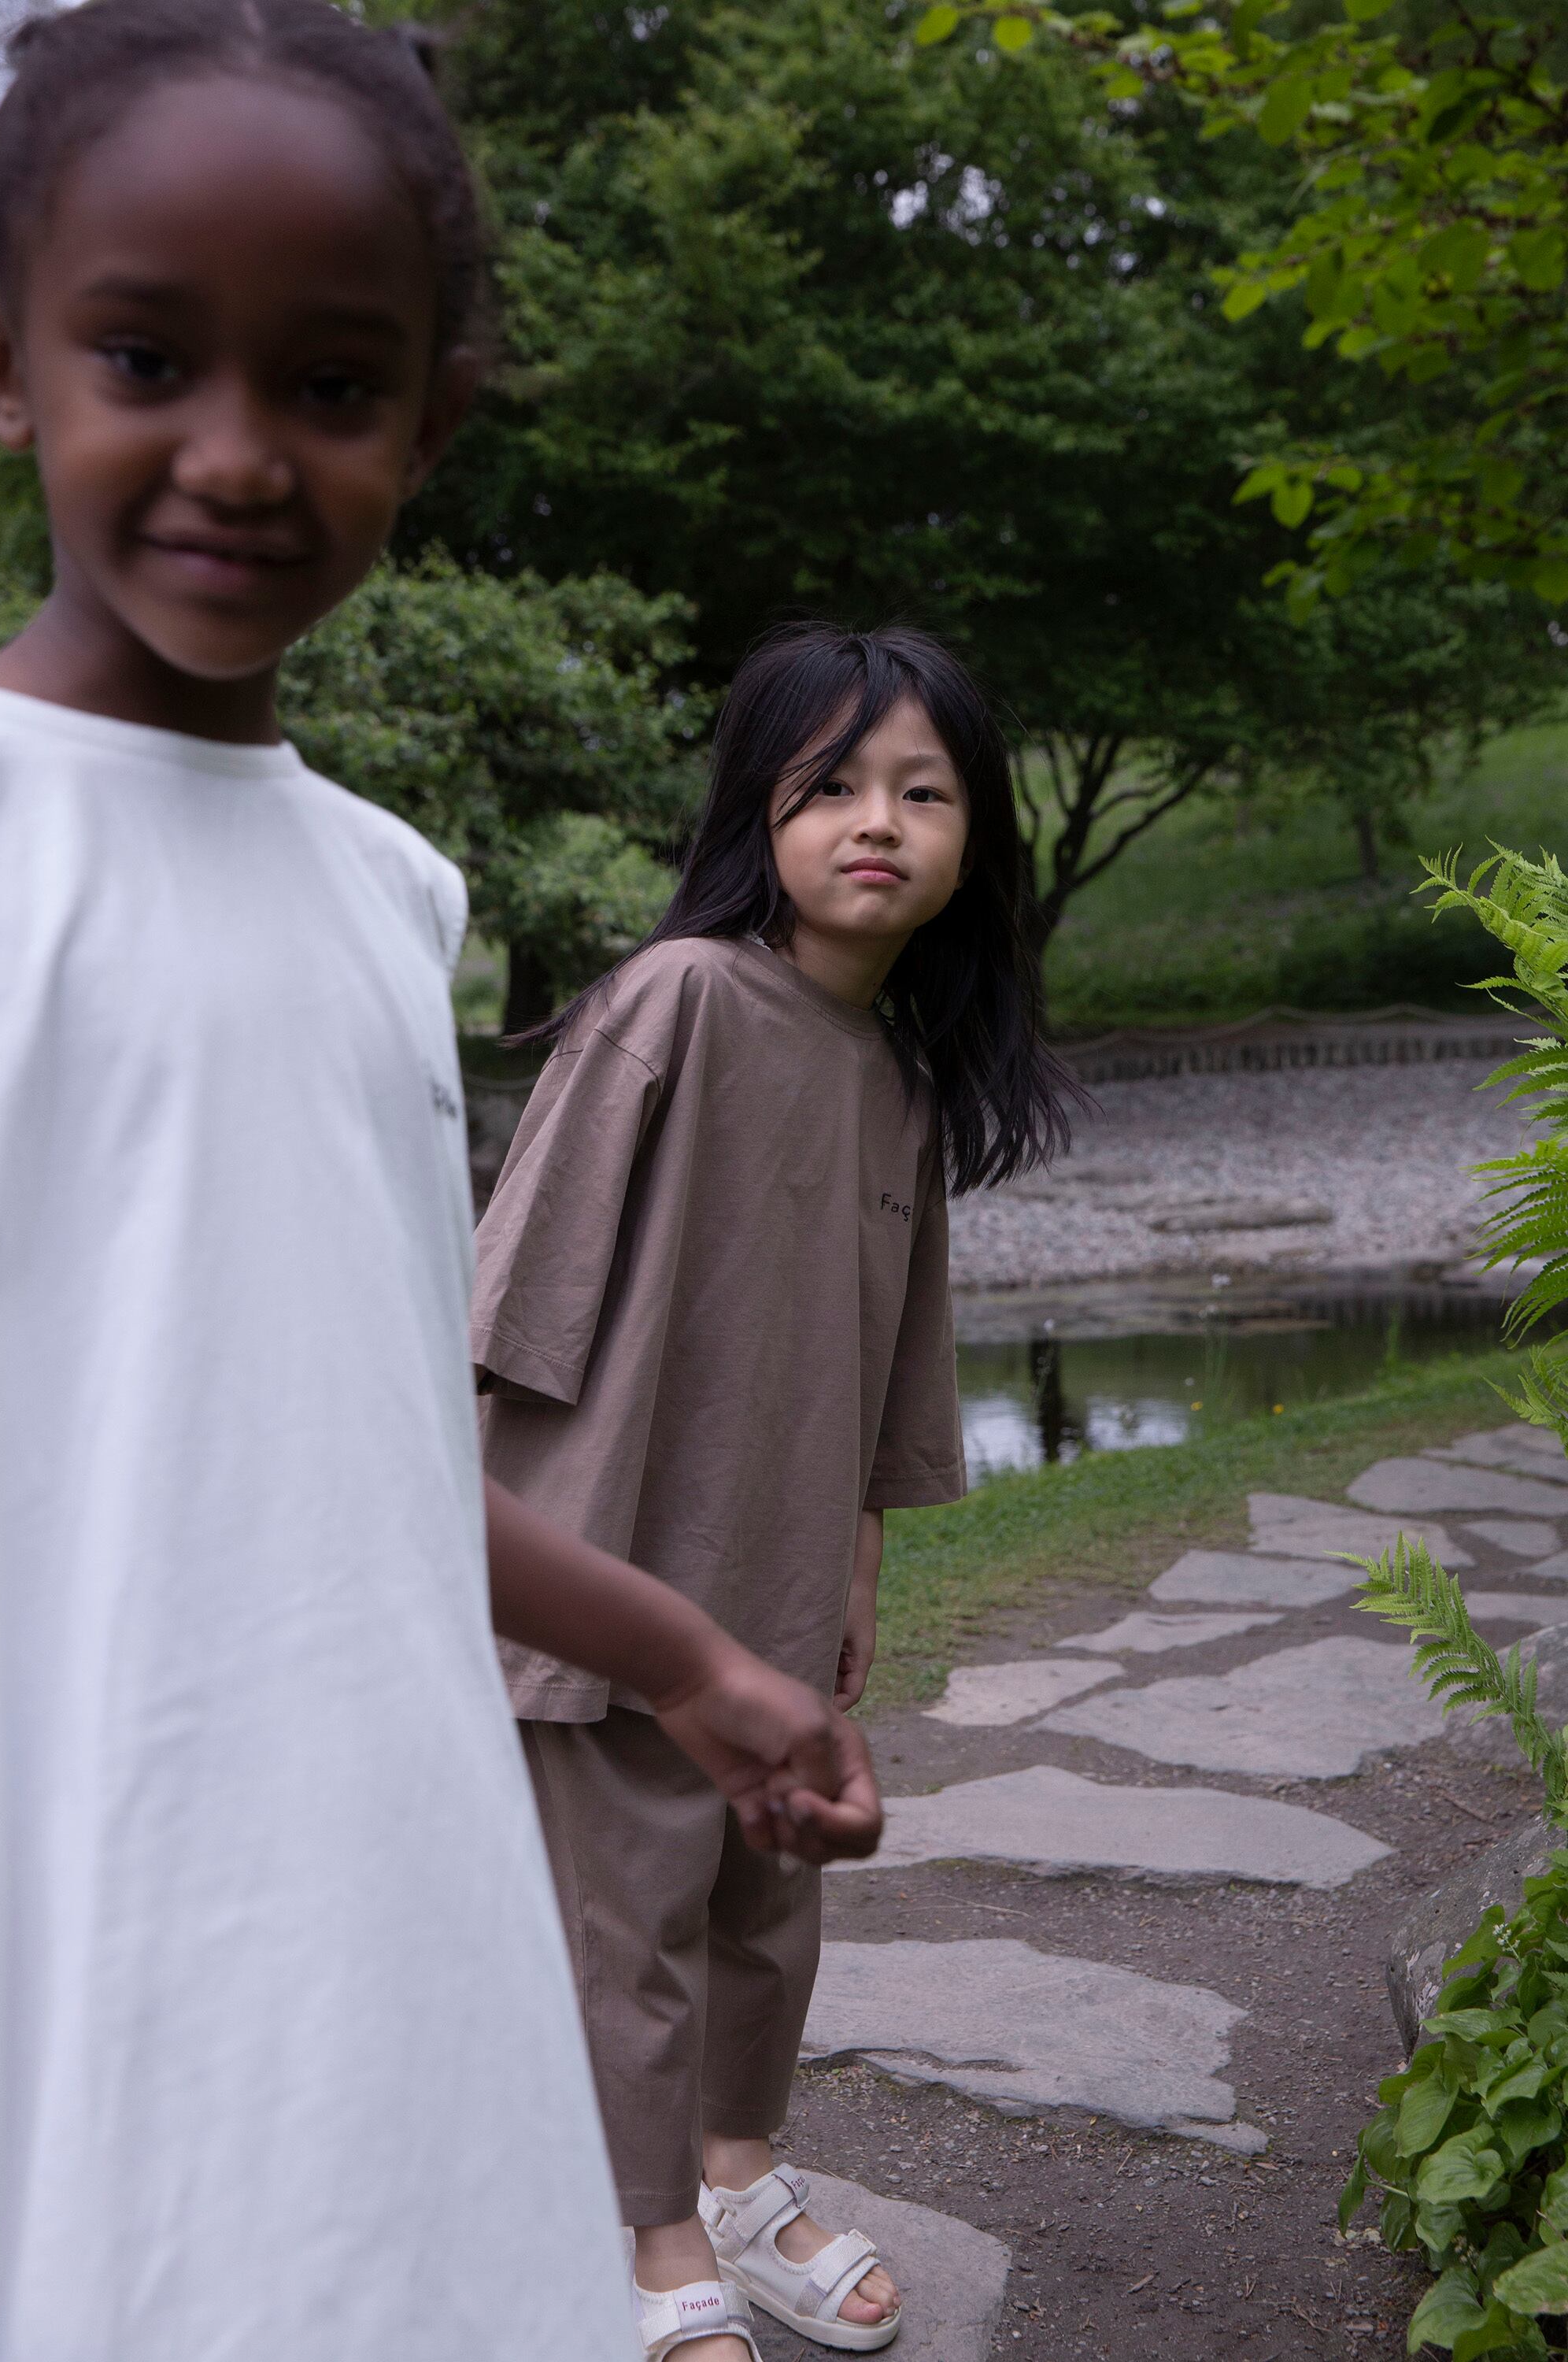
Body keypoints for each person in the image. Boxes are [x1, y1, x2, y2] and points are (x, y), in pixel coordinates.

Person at [0, 9, 882, 2360]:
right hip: (74, 1889)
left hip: (375, 1903)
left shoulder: (392, 893)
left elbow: (367, 1434)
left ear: (434, 421)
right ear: (6, 364)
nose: (235, 452)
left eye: (330, 383)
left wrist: (686, 1662)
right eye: (145, 356)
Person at [474, 620, 1081, 2359]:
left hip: (781, 1568)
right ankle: (645, 2232)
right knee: (631, 1921)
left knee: (767, 1901)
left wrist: (857, 1562)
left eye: (922, 792)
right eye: (831, 785)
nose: (876, 822)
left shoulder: (900, 1082)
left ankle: (738, 2174)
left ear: (974, 845)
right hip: (609, 1558)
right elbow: (505, 1314)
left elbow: (890, 1358)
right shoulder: (676, 998)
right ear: (762, 810)